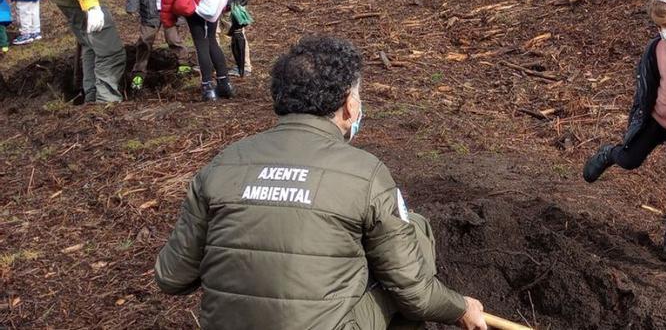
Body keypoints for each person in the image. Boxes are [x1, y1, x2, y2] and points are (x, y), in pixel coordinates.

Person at [154, 36, 488, 330]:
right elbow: (416, 296)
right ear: (349, 104)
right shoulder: (365, 173)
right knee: (412, 230)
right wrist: (461, 307)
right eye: (358, 96)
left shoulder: (222, 164)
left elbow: (171, 277)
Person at [581, 0, 666, 262]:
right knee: (630, 159)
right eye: (659, 27)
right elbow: (648, 85)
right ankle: (610, 154)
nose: (665, 32)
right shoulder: (656, 49)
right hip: (657, 120)